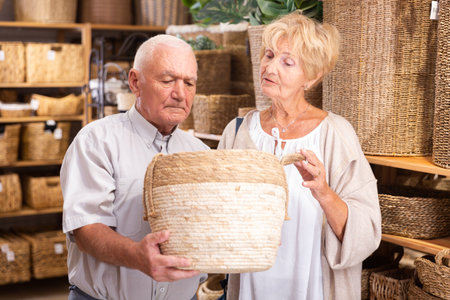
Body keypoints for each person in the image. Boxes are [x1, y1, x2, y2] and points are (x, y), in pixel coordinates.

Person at [218, 12, 381, 300]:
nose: (270, 66)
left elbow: (366, 233)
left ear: (312, 76)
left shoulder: (337, 135)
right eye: (269, 55)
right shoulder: (237, 132)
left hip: (313, 289)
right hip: (253, 286)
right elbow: (216, 213)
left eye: (287, 61)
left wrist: (324, 192)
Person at [61, 34, 209, 300]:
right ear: (135, 82)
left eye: (189, 83)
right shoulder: (96, 141)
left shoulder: (201, 154)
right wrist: (136, 256)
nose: (180, 93)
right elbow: (86, 229)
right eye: (167, 81)